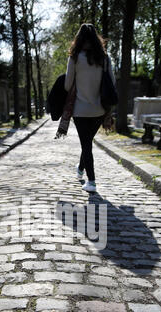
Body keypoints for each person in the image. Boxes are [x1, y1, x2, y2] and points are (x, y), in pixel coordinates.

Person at [64, 23, 116, 192]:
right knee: (86, 142)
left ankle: (91, 181)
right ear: (96, 38)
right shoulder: (105, 59)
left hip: (80, 110)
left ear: (79, 39)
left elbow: (67, 85)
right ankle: (80, 169)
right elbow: (112, 83)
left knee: (86, 144)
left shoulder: (75, 58)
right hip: (99, 110)